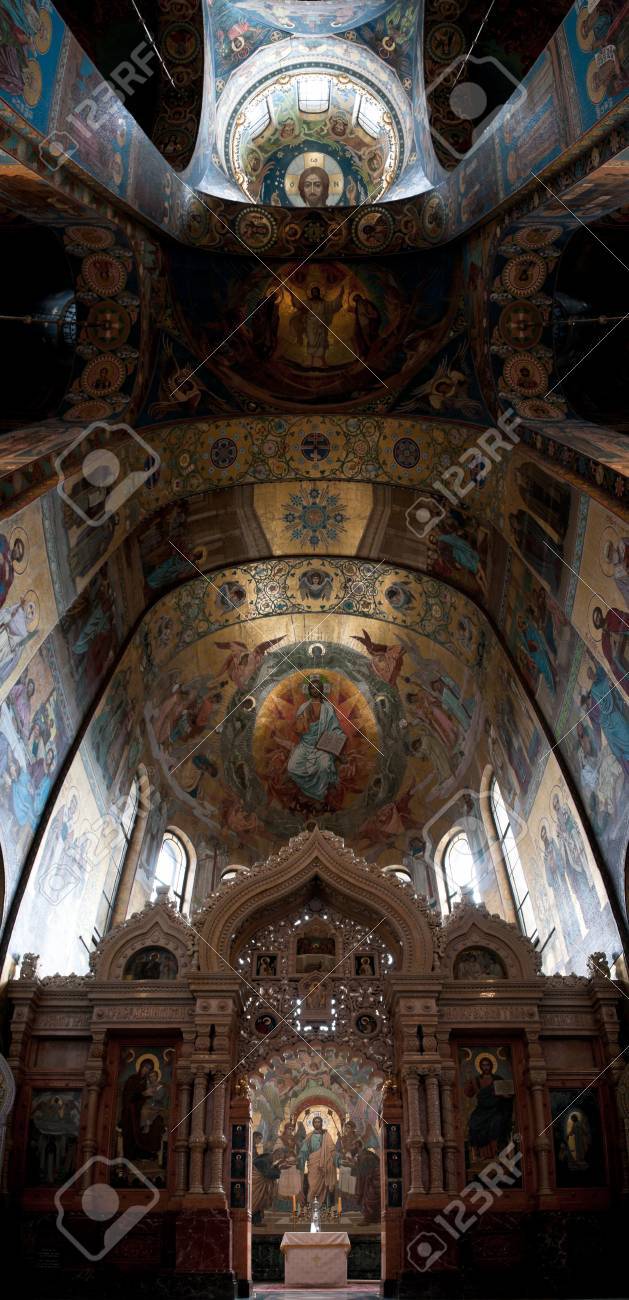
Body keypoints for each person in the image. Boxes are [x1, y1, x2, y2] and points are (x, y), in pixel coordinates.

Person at [287, 678, 345, 803]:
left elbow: (335, 728)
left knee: (324, 766)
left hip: (321, 746)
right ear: (309, 690)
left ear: (321, 689)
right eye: (312, 688)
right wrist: (301, 723)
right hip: (305, 745)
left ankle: (319, 794)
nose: (315, 690)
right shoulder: (304, 707)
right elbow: (298, 729)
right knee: (292, 768)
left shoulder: (328, 708)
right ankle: (306, 791)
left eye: (317, 687)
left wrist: (337, 740)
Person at [298, 1116, 337, 1206]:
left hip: (324, 1165)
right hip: (313, 1164)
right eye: (315, 1122)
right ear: (313, 1124)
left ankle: (322, 1205)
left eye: (319, 1122)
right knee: (313, 1186)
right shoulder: (309, 1136)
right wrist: (300, 1158)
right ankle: (311, 1204)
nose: (317, 1123)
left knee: (323, 1187)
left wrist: (336, 1159)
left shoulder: (326, 1135)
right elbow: (304, 1150)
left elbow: (332, 1149)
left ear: (321, 1123)